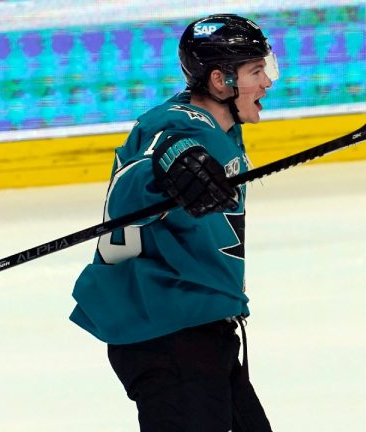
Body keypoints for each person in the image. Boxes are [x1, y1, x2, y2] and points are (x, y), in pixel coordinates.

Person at [70, 13, 278, 432]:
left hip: (196, 329)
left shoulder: (222, 128)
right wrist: (172, 161)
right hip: (168, 333)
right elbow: (148, 163)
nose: (267, 82)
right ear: (222, 82)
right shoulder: (176, 125)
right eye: (256, 71)